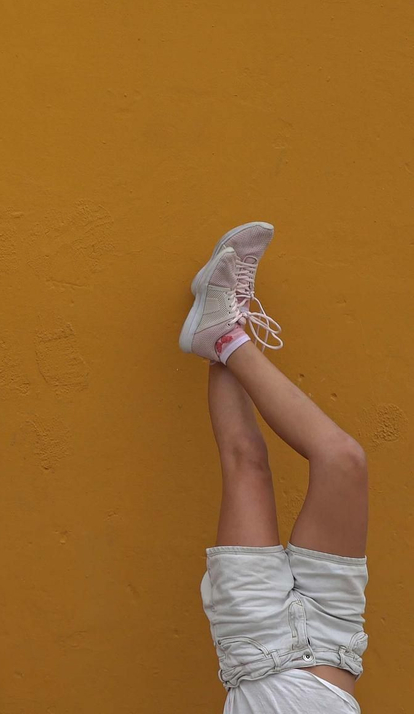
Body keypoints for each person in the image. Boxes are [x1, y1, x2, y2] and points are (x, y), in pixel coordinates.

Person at [180, 223, 369, 713]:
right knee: (342, 461)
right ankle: (221, 326)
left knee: (246, 463)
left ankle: (223, 325)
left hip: (261, 656)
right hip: (337, 640)